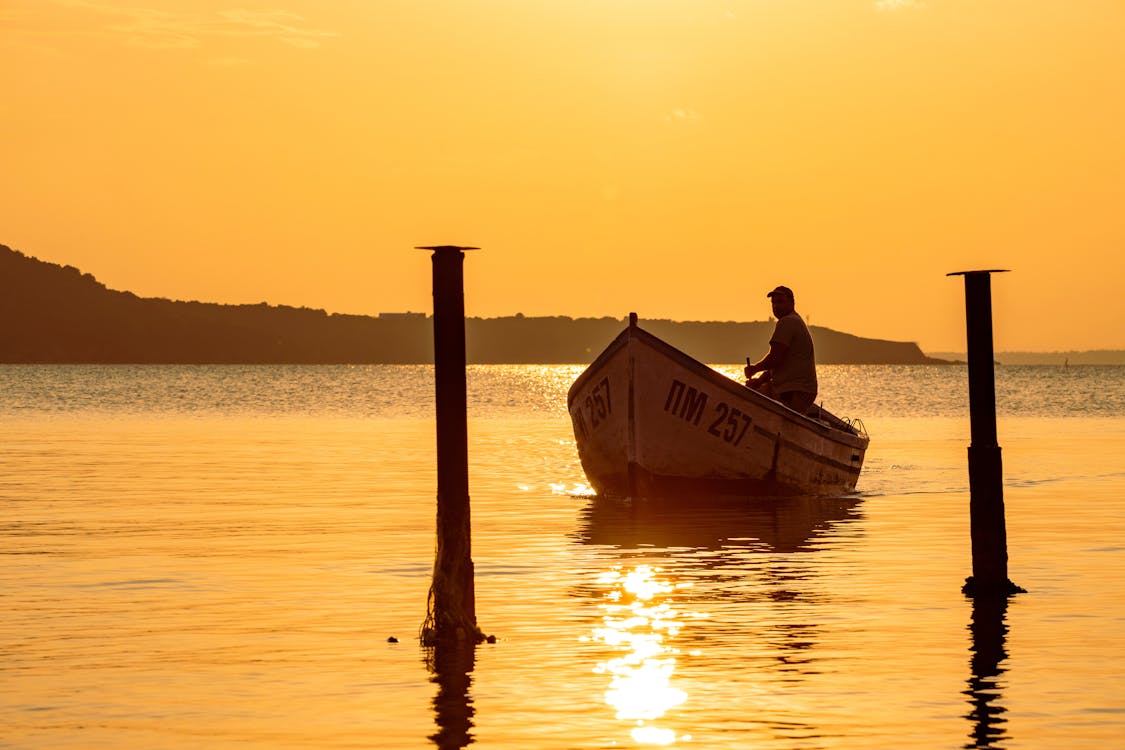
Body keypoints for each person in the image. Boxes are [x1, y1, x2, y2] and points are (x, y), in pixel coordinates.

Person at [744, 285, 818, 414]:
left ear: (792, 303)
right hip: (800, 391)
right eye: (773, 303)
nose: (776, 306)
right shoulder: (795, 321)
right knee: (754, 390)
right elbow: (778, 363)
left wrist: (755, 369)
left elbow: (775, 358)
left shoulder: (788, 322)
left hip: (793, 391)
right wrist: (759, 381)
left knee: (745, 400)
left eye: (780, 302)